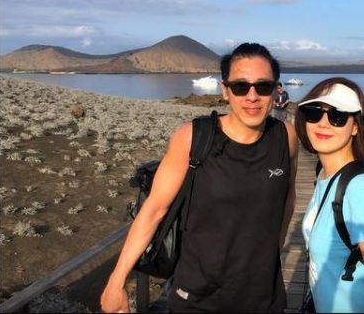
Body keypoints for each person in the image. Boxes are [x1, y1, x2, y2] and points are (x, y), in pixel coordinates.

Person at [101, 43, 298, 313]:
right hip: (198, 296)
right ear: (225, 90)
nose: (252, 96)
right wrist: (117, 280)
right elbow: (154, 209)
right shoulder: (193, 137)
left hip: (263, 296)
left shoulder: (286, 137)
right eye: (240, 87)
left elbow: (288, 196)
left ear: (275, 90)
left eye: (262, 86)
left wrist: (274, 249)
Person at [295, 77, 364, 313]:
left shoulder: (359, 188)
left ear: (355, 127)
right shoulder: (324, 174)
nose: (323, 123)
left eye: (338, 116)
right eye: (314, 113)